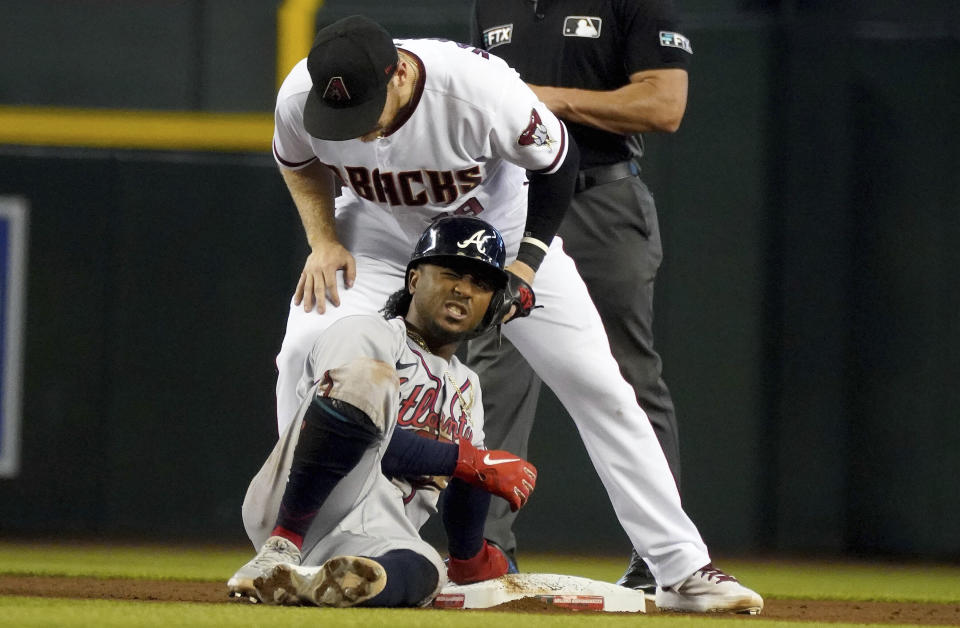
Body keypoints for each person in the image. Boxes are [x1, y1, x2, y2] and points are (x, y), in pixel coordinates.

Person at [268, 14, 762, 613]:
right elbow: (299, 164)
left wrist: (525, 267)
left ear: (399, 72)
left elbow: (557, 164)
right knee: (302, 351)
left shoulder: (477, 89)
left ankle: (681, 568)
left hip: (493, 237)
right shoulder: (302, 93)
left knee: (600, 385)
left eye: (367, 108)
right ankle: (302, 546)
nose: (358, 130)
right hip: (377, 234)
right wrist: (324, 240)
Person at [470, 0, 692, 596]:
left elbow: (664, 105)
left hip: (601, 200)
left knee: (628, 376)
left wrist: (549, 99)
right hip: (516, 206)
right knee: (493, 374)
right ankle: (485, 556)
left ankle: (663, 559)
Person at [228, 217, 538, 606]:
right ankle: (280, 550)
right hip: (306, 503)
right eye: (450, 274)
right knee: (366, 379)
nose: (463, 289)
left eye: (481, 284)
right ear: (413, 281)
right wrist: (468, 459)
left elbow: (468, 480)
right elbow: (362, 442)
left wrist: (469, 557)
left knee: (427, 569)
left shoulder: (466, 387)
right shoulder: (366, 333)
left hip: (380, 532)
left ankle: (318, 589)